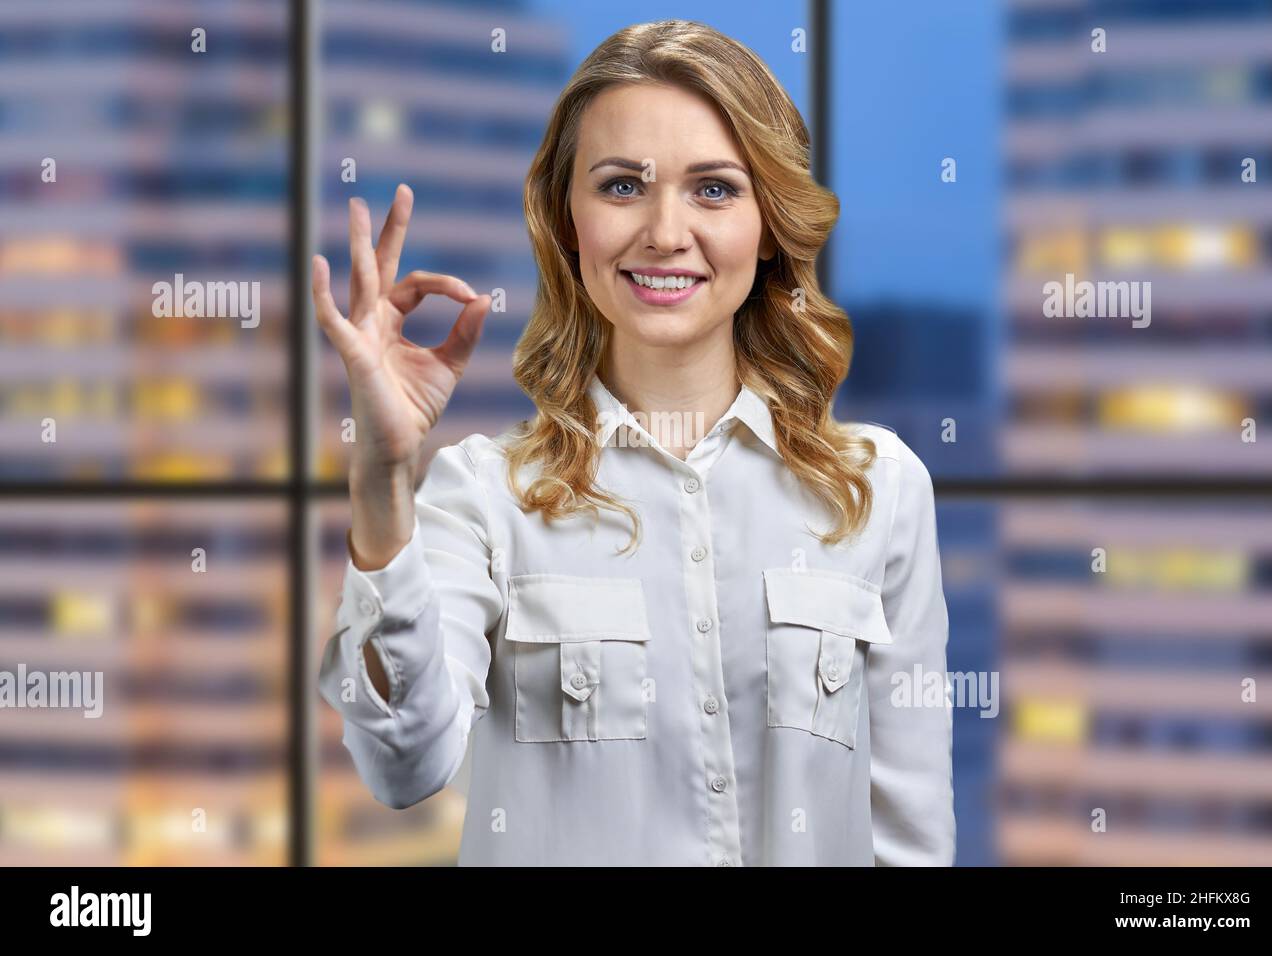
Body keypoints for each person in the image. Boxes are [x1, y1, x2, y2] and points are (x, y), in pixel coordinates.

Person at [314, 19, 954, 866]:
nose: (664, 230)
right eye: (621, 186)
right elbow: (405, 762)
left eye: (715, 190)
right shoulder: (482, 495)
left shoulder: (880, 491)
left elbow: (909, 842)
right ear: (567, 219)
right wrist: (382, 480)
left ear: (769, 227)